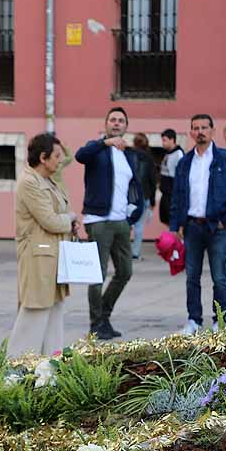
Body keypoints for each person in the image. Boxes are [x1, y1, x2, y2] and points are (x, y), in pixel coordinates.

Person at [170, 114, 226, 334]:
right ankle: (194, 319)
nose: (200, 131)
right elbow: (176, 196)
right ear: (191, 132)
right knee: (192, 276)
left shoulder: (225, 159)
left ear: (213, 130)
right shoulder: (185, 162)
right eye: (196, 128)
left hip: (217, 226)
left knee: (219, 277)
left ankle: (218, 321)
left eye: (204, 127)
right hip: (192, 226)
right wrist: (176, 226)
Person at [76, 106, 143, 341]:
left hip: (121, 222)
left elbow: (135, 187)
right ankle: (96, 323)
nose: (116, 123)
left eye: (120, 120)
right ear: (106, 125)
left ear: (126, 126)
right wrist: (105, 143)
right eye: (112, 120)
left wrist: (134, 215)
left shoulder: (129, 154)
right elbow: (79, 156)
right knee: (98, 274)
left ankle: (104, 315)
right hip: (99, 221)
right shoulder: (96, 150)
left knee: (125, 271)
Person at [8, 132, 76, 358]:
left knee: (54, 313)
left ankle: (50, 368)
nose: (60, 160)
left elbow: (68, 157)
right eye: (55, 156)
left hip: (53, 256)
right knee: (34, 314)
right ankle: (17, 370)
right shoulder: (29, 182)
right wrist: (71, 219)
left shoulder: (48, 179)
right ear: (43, 157)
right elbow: (50, 220)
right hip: (38, 258)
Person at [130, 133, 157, 260]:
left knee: (126, 224)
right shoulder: (149, 158)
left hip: (129, 196)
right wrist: (152, 200)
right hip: (144, 195)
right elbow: (153, 180)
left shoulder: (129, 155)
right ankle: (135, 252)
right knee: (139, 226)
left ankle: (123, 251)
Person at [157, 128, 183, 227]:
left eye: (165, 140)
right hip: (165, 193)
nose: (162, 143)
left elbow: (180, 176)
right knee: (164, 219)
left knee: (173, 221)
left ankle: (177, 241)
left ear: (172, 140)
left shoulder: (178, 154)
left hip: (172, 194)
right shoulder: (167, 154)